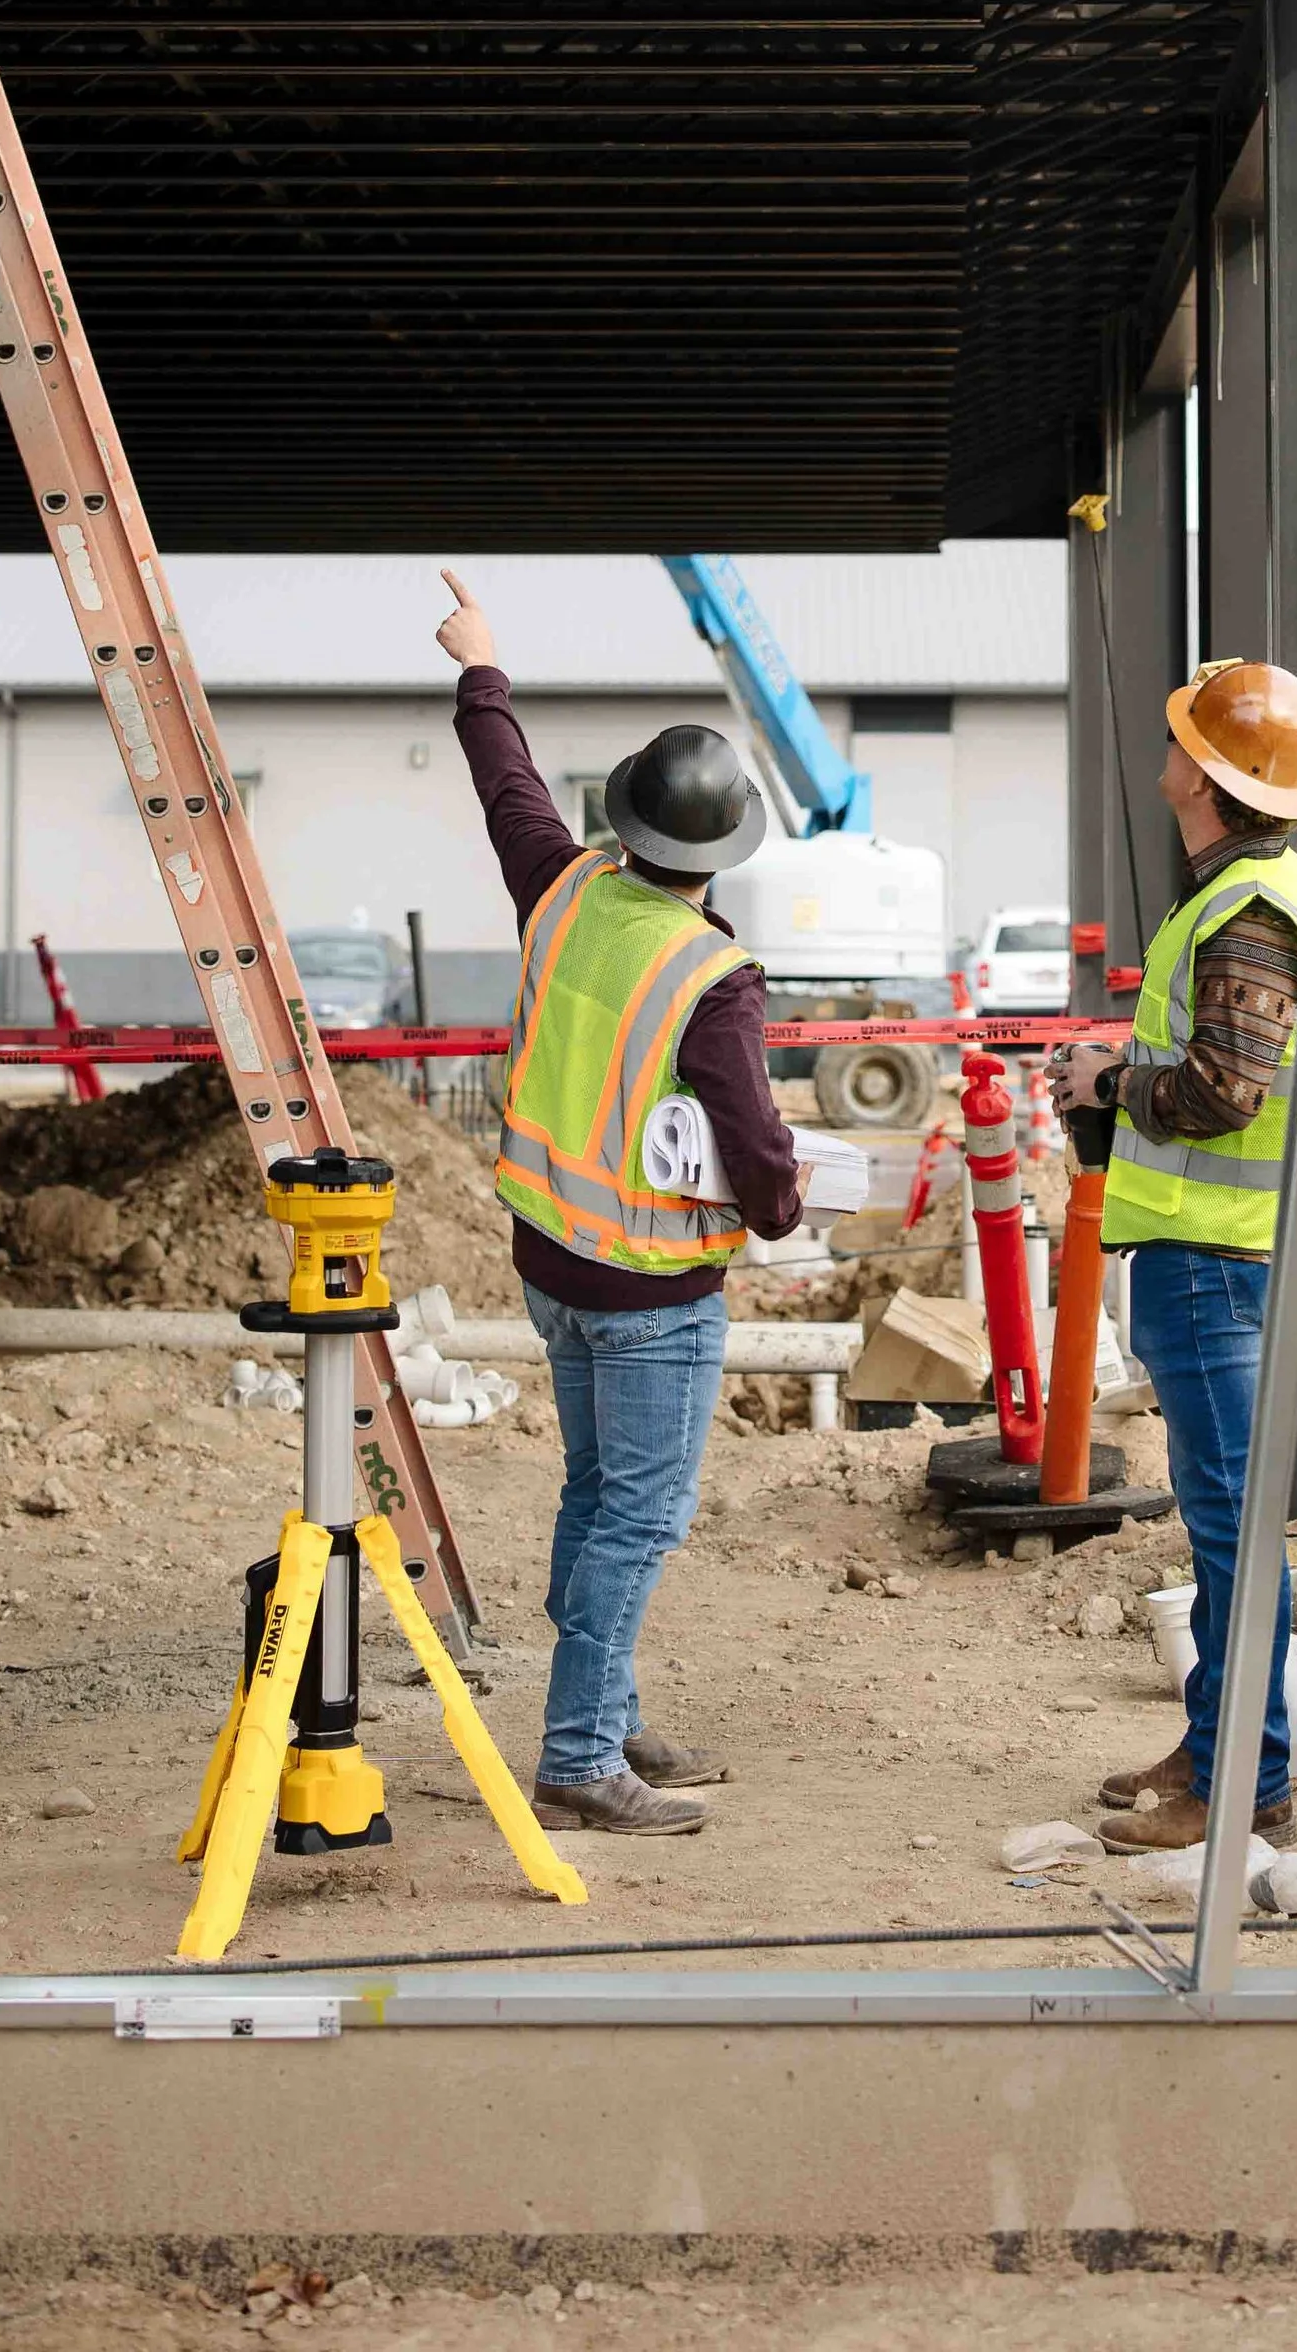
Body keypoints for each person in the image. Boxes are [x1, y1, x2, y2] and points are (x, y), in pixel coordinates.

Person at [434, 567, 804, 1835]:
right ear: (722, 851)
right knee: (637, 1520)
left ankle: (612, 1706)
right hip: (652, 1289)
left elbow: (506, 782)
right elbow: (754, 1147)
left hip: (550, 1263)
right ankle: (583, 1754)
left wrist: (480, 662)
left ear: (629, 823)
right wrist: (786, 1210)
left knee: (596, 1497)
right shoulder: (713, 974)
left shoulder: (562, 885)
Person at [1048, 657, 1297, 1856]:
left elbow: (1226, 1090)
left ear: (1208, 782)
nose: (1168, 748)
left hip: (1214, 1257)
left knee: (1233, 1524)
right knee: (1223, 1516)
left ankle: (1245, 1784)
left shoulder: (1246, 916)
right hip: (1218, 1255)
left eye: (1187, 737)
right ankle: (1212, 1744)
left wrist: (1106, 1083)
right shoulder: (1248, 890)